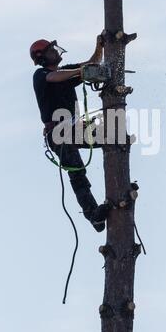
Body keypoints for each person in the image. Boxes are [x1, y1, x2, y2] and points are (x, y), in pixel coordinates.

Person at [31, 36, 112, 232]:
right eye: (51, 50)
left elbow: (90, 63)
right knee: (77, 171)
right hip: (58, 133)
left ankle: (119, 189)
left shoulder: (65, 72)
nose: (56, 51)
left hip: (76, 129)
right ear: (42, 57)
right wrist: (80, 72)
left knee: (112, 137)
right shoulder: (41, 74)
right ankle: (94, 216)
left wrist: (99, 46)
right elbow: (55, 77)